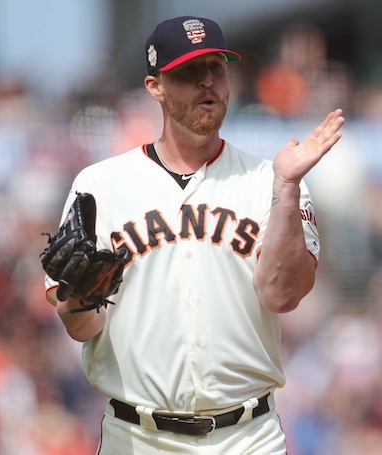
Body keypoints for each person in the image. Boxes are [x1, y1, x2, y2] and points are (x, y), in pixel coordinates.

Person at [45, 15, 344, 454]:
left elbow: (283, 296)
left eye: (216, 68)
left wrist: (286, 189)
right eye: (189, 72)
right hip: (137, 437)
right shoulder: (100, 185)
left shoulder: (270, 180)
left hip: (248, 437)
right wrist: (78, 298)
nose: (207, 82)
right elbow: (81, 327)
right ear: (156, 87)